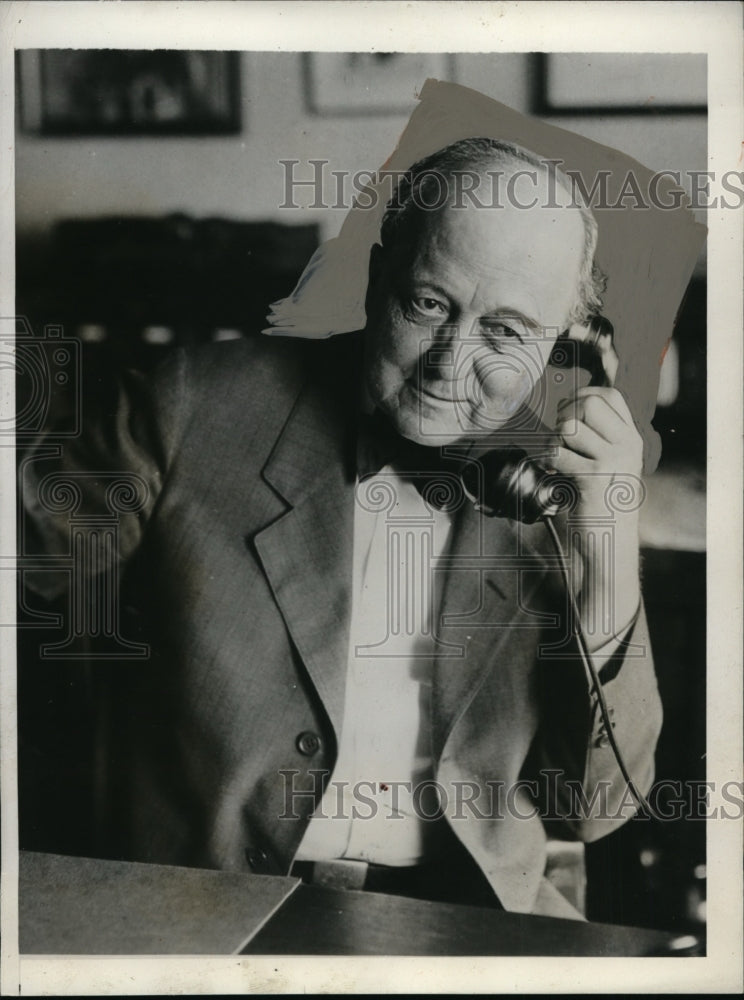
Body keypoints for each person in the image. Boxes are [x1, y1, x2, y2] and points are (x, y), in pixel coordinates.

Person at [21, 136, 663, 921]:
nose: (450, 364)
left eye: (505, 332)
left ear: (560, 345)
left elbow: (590, 807)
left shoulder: (556, 489)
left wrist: (607, 546)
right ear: (376, 275)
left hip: (470, 912)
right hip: (206, 903)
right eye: (429, 305)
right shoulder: (192, 405)